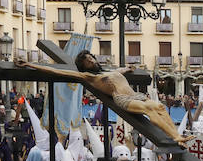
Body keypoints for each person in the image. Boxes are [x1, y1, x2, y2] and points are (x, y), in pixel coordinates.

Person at [15, 52, 191, 147]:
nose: (92, 60)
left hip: (134, 94)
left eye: (91, 58)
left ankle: (176, 136)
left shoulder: (108, 72)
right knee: (149, 110)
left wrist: (128, 69)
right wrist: (31, 65)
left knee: (159, 106)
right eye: (88, 61)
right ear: (84, 66)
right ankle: (174, 136)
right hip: (122, 99)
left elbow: (119, 71)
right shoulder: (88, 77)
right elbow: (58, 72)